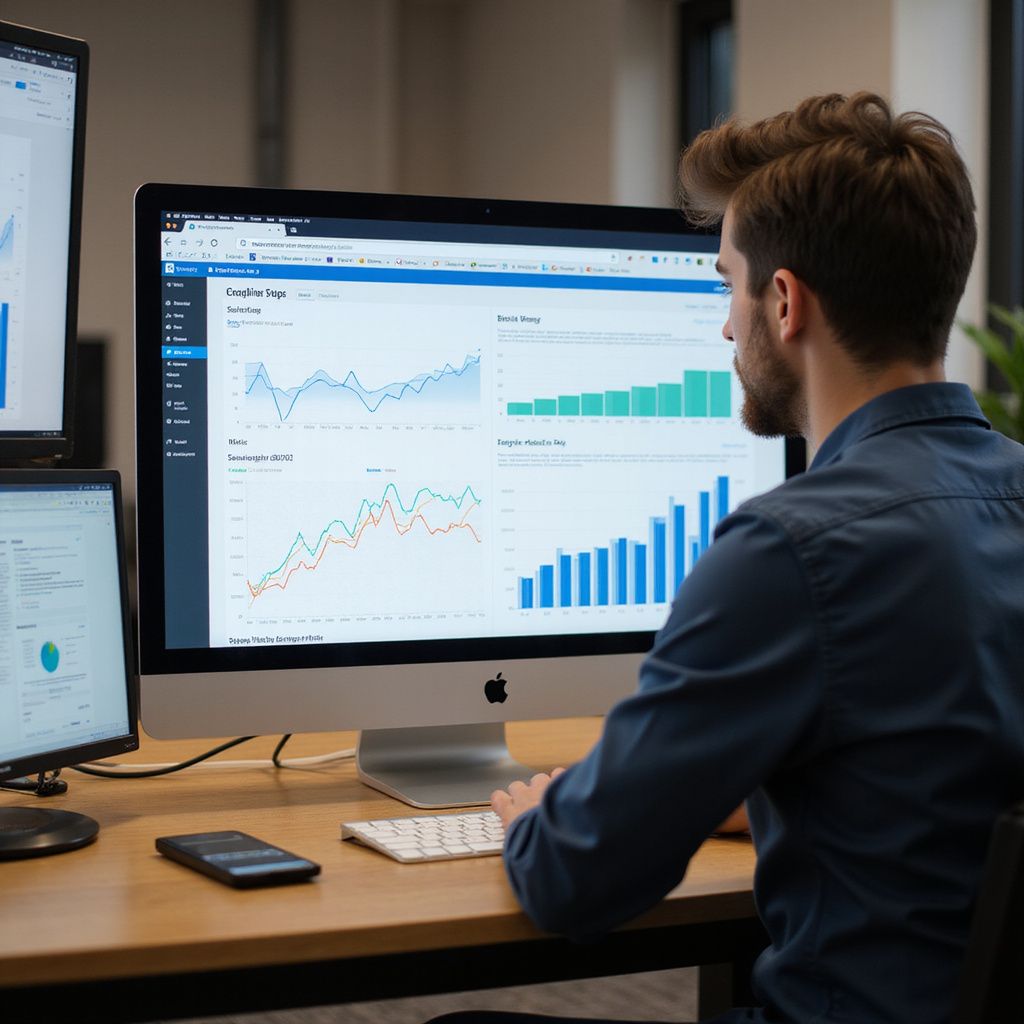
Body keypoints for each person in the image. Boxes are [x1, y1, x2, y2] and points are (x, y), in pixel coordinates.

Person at [436, 93, 1024, 1024]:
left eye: (725, 284)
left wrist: (533, 824)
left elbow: (577, 885)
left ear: (784, 303)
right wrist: (780, 792)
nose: (722, 327)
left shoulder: (793, 549)